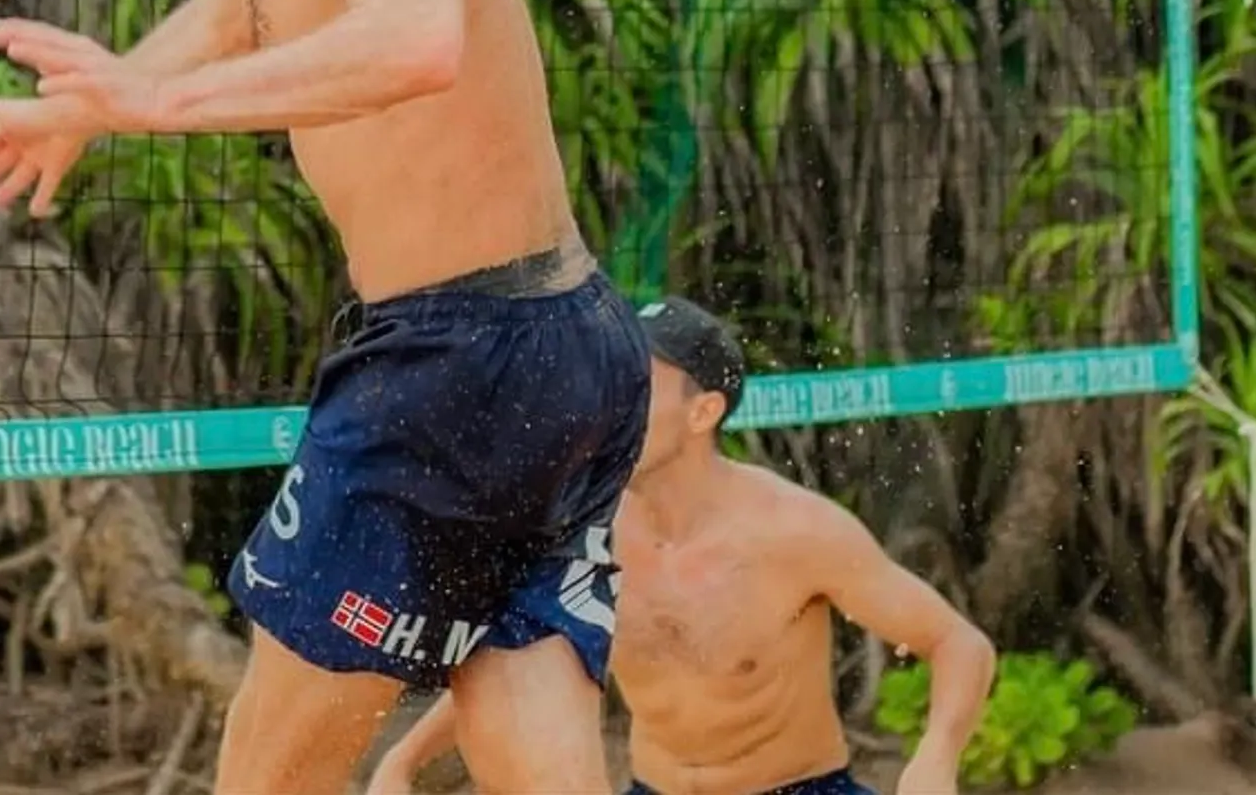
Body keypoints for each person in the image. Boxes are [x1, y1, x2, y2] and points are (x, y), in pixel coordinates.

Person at [0, 0, 647, 795]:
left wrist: (150, 109)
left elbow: (417, 38)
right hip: (567, 345)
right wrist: (97, 97)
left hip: (456, 370)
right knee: (530, 737)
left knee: (267, 781)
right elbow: (234, 18)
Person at [361, 298, 996, 795]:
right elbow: (518, 664)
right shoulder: (583, 532)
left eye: (637, 385)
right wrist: (404, 759)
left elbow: (959, 644)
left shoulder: (797, 533)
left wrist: (936, 761)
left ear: (703, 412)